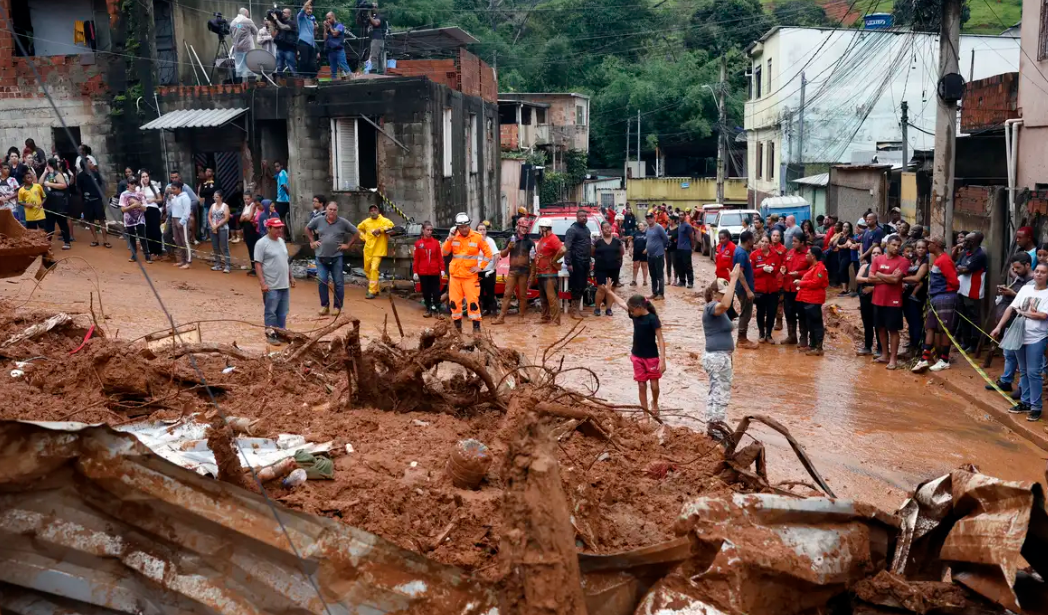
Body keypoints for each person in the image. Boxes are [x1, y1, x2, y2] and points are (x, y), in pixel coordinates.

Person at [991, 262, 1048, 422]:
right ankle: (1026, 402)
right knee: (1023, 370)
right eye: (1037, 271)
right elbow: (1010, 308)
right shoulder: (1025, 289)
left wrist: (1024, 313)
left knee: (1033, 372)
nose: (1039, 274)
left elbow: (1043, 315)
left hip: (1037, 337)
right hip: (1019, 335)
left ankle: (1036, 407)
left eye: (1043, 272)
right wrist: (999, 327)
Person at [986, 252, 1032, 399]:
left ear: (1027, 265)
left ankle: (1022, 389)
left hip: (1023, 323)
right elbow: (1012, 306)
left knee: (1023, 361)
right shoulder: (1021, 278)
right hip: (1011, 321)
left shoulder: (1032, 282)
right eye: (1014, 268)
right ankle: (1006, 381)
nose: (1015, 271)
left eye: (1018, 267)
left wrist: (1012, 293)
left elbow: (1026, 303)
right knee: (1009, 353)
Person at [702, 267, 741, 436]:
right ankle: (716, 429)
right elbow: (725, 303)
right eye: (722, 293)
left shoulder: (720, 311)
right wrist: (733, 279)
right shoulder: (712, 307)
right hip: (717, 357)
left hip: (721, 356)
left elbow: (727, 305)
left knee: (716, 390)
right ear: (714, 294)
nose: (725, 297)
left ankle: (712, 425)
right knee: (720, 392)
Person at [913, 237, 961, 373]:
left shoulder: (944, 260)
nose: (927, 246)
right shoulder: (938, 260)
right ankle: (924, 359)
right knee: (930, 327)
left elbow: (954, 282)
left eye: (929, 243)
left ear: (936, 245)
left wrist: (945, 293)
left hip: (944, 297)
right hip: (935, 297)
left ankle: (944, 360)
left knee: (944, 329)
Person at [442, 212, 493, 333]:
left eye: (466, 226)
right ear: (457, 227)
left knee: (473, 303)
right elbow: (444, 252)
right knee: (454, 303)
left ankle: (476, 329)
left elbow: (488, 254)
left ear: (469, 225)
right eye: (461, 227)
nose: (464, 229)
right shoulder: (453, 236)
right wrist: (449, 237)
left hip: (470, 277)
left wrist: (480, 267)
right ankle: (457, 329)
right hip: (455, 276)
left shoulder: (477, 237)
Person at [305, 201, 357, 314]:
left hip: (336, 258)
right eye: (330, 209)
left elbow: (356, 232)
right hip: (321, 257)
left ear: (337, 211)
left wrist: (347, 245)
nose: (332, 211)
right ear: (326, 209)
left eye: (334, 210)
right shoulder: (319, 220)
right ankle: (325, 305)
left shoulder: (343, 222)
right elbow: (307, 228)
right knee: (322, 281)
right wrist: (312, 242)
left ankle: (337, 306)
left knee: (338, 283)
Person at [869, 235, 908, 369]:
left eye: (898, 245)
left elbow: (895, 281)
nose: (896, 248)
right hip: (877, 300)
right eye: (894, 245)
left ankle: (893, 358)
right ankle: (885, 355)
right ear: (887, 245)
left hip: (894, 301)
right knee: (880, 328)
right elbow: (870, 278)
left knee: (893, 330)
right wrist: (889, 276)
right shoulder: (878, 259)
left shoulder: (903, 261)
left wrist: (879, 275)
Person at [254, 217, 296, 345]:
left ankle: (281, 333)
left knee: (283, 311)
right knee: (271, 311)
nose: (279, 230)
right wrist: (262, 283)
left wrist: (291, 277)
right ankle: (271, 334)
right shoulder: (261, 243)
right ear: (269, 228)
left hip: (284, 283)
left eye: (280, 227)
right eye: (276, 227)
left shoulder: (282, 242)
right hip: (271, 284)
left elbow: (286, 261)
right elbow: (258, 264)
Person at [955, 232, 987, 353]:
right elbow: (957, 265)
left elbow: (966, 270)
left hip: (973, 290)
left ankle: (974, 344)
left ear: (973, 242)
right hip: (962, 289)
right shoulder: (964, 253)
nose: (964, 243)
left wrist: (961, 268)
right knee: (963, 316)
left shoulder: (980, 255)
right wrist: (961, 268)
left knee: (973, 317)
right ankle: (965, 341)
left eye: (967, 241)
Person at [794, 246, 829, 356]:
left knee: (816, 323)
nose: (806, 256)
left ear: (813, 256)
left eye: (808, 254)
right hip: (807, 299)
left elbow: (816, 283)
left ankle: (818, 347)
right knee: (810, 323)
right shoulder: (813, 267)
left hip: (814, 299)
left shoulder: (820, 268)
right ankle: (812, 345)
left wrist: (801, 283)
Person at [357, 204, 394, 298]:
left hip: (378, 250)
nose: (373, 212)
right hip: (368, 249)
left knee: (374, 269)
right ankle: (376, 288)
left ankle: (372, 291)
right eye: (371, 210)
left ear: (378, 211)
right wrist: (364, 237)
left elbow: (391, 226)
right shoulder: (366, 222)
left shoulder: (384, 221)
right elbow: (358, 229)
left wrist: (380, 230)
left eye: (375, 210)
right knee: (367, 270)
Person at [751, 234, 783, 344]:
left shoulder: (775, 255)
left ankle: (769, 334)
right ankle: (761, 333)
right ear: (759, 242)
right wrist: (762, 270)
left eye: (766, 242)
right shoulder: (754, 255)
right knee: (760, 312)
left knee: (771, 312)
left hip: (772, 289)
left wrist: (772, 270)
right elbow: (751, 272)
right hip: (760, 289)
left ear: (769, 243)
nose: (764, 244)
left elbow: (778, 269)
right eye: (762, 241)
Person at [533, 217, 565, 325]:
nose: (539, 230)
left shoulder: (553, 238)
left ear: (545, 228)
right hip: (541, 273)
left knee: (552, 298)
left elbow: (563, 250)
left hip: (550, 274)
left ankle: (556, 321)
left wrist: (554, 260)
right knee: (543, 299)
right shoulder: (542, 239)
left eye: (541, 228)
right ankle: (545, 317)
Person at [782, 233, 810, 346]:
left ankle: (803, 338)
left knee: (802, 314)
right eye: (792, 241)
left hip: (801, 289)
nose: (792, 243)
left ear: (802, 243)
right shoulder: (790, 252)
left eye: (795, 241)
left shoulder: (808, 254)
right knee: (789, 313)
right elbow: (784, 264)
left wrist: (798, 273)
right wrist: (783, 268)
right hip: (788, 288)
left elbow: (811, 270)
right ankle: (792, 336)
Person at [855, 245, 884, 357]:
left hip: (878, 299)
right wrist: (870, 280)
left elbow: (886, 282)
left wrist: (872, 287)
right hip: (865, 299)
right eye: (873, 253)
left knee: (879, 323)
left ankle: (881, 348)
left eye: (878, 253)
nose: (875, 255)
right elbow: (858, 278)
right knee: (867, 323)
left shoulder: (883, 267)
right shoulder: (865, 266)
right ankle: (867, 347)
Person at [413, 221, 445, 318]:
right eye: (428, 230)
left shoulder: (436, 243)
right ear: (423, 230)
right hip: (423, 272)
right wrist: (415, 272)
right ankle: (428, 309)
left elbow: (440, 257)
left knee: (436, 292)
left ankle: (438, 310)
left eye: (431, 230)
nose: (429, 232)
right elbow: (416, 259)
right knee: (426, 292)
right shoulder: (418, 244)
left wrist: (442, 269)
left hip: (435, 271)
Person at [564, 209, 593, 317]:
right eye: (581, 216)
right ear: (577, 217)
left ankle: (577, 309)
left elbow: (588, 246)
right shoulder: (572, 230)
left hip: (585, 261)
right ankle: (574, 310)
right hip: (576, 261)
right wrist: (569, 263)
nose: (584, 218)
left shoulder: (587, 230)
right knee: (576, 286)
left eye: (585, 216)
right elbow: (567, 247)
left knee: (583, 285)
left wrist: (590, 260)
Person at [902, 239, 929, 355]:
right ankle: (912, 342)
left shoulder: (925, 262)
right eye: (919, 247)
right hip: (908, 293)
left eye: (923, 248)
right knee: (909, 319)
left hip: (919, 295)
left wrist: (899, 278)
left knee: (916, 321)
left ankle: (917, 346)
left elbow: (917, 278)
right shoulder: (913, 260)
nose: (921, 250)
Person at [592, 221, 624, 316]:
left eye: (609, 227)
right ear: (601, 230)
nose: (607, 230)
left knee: (612, 288)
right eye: (605, 228)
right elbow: (592, 253)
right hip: (601, 267)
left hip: (614, 267)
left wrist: (617, 261)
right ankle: (597, 308)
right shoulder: (597, 242)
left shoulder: (617, 241)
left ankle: (608, 309)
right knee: (601, 288)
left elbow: (621, 252)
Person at [116, 176, 150, 263]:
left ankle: (147, 255)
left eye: (135, 183)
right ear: (128, 184)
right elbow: (123, 209)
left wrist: (139, 205)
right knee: (132, 237)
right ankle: (134, 255)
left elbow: (145, 209)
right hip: (129, 219)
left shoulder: (140, 194)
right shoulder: (124, 194)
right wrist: (133, 206)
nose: (134, 185)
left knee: (142, 236)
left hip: (140, 218)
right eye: (132, 183)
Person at [41, 158, 72, 250]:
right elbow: (39, 183)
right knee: (49, 224)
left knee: (62, 222)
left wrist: (50, 184)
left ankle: (67, 242)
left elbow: (63, 185)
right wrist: (44, 173)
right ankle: (47, 243)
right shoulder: (47, 174)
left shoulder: (57, 173)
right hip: (49, 202)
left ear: (49, 164)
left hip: (58, 203)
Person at [167, 181, 192, 269]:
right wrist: (169, 200)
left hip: (182, 220)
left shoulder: (185, 198)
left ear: (179, 189)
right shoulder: (174, 197)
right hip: (174, 219)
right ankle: (182, 260)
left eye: (174, 189)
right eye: (172, 189)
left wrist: (182, 222)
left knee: (185, 241)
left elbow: (187, 211)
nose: (172, 191)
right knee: (178, 241)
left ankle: (188, 261)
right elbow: (169, 208)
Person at [644, 212, 669, 300]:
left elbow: (665, 239)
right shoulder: (648, 228)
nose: (649, 219)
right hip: (650, 255)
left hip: (658, 255)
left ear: (653, 218)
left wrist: (661, 247)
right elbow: (648, 240)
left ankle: (661, 294)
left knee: (660, 275)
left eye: (650, 217)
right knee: (652, 275)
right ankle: (654, 292)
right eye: (647, 218)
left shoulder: (658, 227)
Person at [477, 221, 500, 315]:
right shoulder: (474, 241)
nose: (482, 231)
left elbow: (496, 255)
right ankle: (480, 311)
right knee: (479, 292)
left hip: (488, 270)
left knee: (490, 292)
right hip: (478, 270)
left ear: (486, 231)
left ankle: (493, 311)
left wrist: (493, 269)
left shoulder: (490, 241)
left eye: (483, 230)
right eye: (480, 230)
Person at [230, 8, 258, 82]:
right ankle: (250, 86)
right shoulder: (248, 21)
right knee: (250, 66)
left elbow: (231, 35)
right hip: (247, 47)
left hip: (237, 48)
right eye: (248, 13)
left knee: (240, 67)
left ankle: (241, 86)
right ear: (246, 13)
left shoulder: (233, 22)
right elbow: (255, 31)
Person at [207, 189, 231, 273]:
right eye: (214, 197)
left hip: (222, 228)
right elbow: (209, 216)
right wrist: (212, 225)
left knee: (225, 247)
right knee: (215, 247)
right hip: (213, 228)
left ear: (221, 197)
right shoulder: (212, 205)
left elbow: (226, 218)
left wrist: (216, 226)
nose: (215, 198)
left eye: (217, 197)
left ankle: (227, 265)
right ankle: (218, 264)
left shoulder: (225, 206)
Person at [323, 11, 351, 78]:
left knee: (343, 65)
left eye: (329, 18)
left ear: (333, 17)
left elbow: (335, 34)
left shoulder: (340, 25)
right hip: (331, 50)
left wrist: (330, 27)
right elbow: (324, 38)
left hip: (339, 49)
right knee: (333, 69)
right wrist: (325, 28)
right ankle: (334, 83)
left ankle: (352, 79)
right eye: (327, 19)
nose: (328, 20)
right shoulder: (328, 27)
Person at [241, 194, 263, 274]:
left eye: (248, 198)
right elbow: (241, 219)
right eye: (245, 199)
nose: (246, 200)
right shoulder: (246, 207)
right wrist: (245, 218)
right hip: (249, 229)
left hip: (255, 231)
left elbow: (249, 218)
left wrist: (246, 217)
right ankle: (254, 267)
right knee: (250, 248)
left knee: (255, 249)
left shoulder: (254, 207)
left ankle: (258, 268)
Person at [273, 7, 299, 74]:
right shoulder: (279, 23)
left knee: (291, 67)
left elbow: (283, 27)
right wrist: (272, 22)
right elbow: (273, 35)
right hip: (279, 48)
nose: (282, 13)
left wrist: (276, 19)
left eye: (284, 12)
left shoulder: (292, 23)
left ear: (289, 14)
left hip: (289, 49)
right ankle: (280, 83)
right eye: (282, 12)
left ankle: (295, 82)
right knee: (279, 67)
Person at [296, 0, 318, 78]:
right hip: (303, 42)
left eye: (311, 9)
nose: (309, 10)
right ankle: (302, 79)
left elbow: (314, 34)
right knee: (304, 61)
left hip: (311, 44)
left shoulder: (312, 19)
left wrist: (315, 29)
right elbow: (303, 9)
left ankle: (311, 80)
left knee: (313, 64)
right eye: (308, 8)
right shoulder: (301, 17)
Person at [196, 168, 218, 243]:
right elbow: (201, 194)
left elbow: (216, 190)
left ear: (213, 173)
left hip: (215, 205)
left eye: (209, 171)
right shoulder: (204, 182)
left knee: (215, 220)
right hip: (207, 204)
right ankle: (206, 237)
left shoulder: (216, 181)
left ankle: (215, 236)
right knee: (206, 222)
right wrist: (208, 192)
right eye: (206, 171)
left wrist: (207, 191)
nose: (207, 172)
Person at [675, 213, 695, 287]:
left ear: (685, 216)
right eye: (679, 215)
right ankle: (682, 281)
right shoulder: (679, 225)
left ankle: (690, 282)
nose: (680, 216)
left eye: (682, 215)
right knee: (680, 266)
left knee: (688, 266)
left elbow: (692, 237)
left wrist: (692, 248)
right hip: (679, 248)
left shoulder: (688, 226)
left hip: (686, 249)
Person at [833, 222, 854, 292]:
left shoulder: (850, 236)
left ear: (850, 228)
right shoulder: (841, 236)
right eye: (844, 227)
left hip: (847, 255)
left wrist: (838, 246)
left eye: (847, 227)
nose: (845, 228)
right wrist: (839, 236)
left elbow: (845, 246)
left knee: (841, 270)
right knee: (843, 271)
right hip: (840, 255)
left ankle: (847, 288)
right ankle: (844, 289)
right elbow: (834, 243)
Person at [367, 1, 387, 74]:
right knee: (379, 57)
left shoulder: (380, 16)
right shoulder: (373, 17)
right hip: (377, 39)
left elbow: (376, 23)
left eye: (375, 7)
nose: (373, 8)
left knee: (374, 54)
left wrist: (369, 16)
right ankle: (381, 71)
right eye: (373, 7)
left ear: (377, 8)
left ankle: (374, 69)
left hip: (377, 39)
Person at [631, 221, 648, 287]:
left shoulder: (647, 233)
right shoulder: (635, 233)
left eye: (641, 225)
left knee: (644, 266)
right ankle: (634, 280)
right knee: (635, 266)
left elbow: (650, 242)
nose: (639, 227)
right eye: (639, 226)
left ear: (645, 226)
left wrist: (647, 249)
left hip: (644, 252)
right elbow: (631, 241)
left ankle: (645, 280)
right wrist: (630, 249)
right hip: (636, 252)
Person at [274, 161, 290, 227]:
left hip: (282, 200)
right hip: (284, 200)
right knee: (283, 219)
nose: (276, 168)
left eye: (277, 166)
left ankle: (282, 235)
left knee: (280, 219)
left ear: (281, 166)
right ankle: (284, 235)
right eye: (275, 167)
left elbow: (284, 185)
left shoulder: (282, 174)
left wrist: (289, 195)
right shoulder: (283, 173)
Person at [665, 215, 678, 284]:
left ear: (673, 220)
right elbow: (664, 236)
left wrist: (670, 237)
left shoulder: (678, 228)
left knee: (675, 264)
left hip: (674, 249)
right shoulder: (667, 228)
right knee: (668, 264)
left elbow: (676, 238)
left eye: (669, 220)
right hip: (667, 248)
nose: (668, 221)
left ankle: (675, 280)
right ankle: (669, 279)